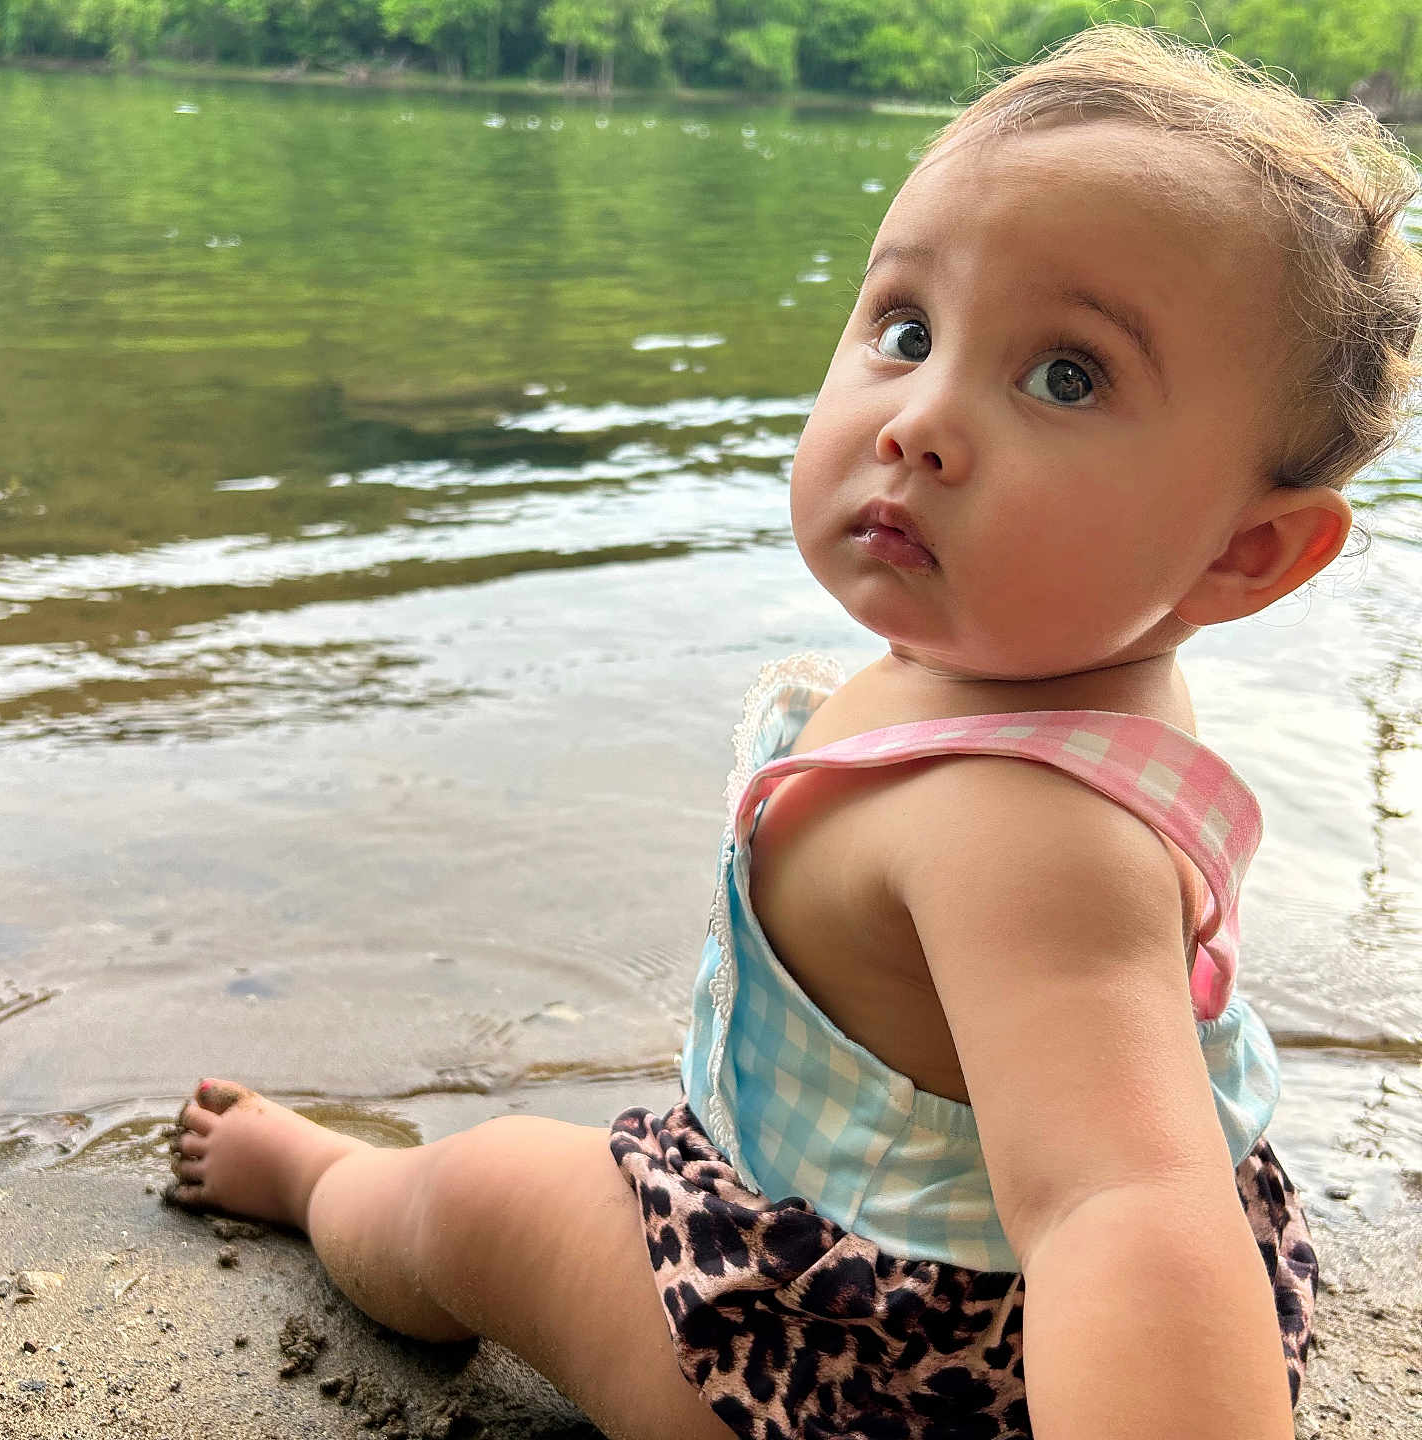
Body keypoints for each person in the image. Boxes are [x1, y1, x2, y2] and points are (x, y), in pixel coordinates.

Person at [167, 26, 1422, 1440]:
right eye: (905, 330)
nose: (922, 420)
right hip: (956, 1276)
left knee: (483, 1190)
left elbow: (1121, 1203)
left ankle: (325, 1183)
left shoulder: (1030, 833)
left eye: (1066, 377)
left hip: (858, 1367)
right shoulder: (1062, 651)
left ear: (1243, 557)